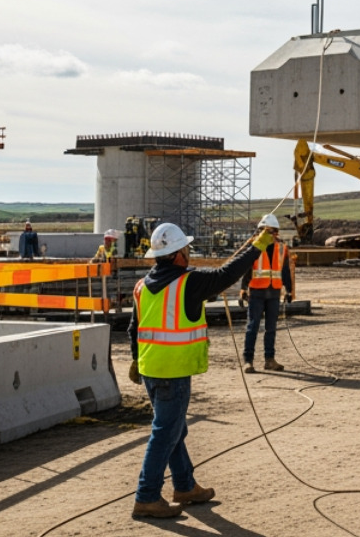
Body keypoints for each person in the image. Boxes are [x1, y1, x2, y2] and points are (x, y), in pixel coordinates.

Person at [127, 221, 274, 519]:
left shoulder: (142, 286)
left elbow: (134, 328)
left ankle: (184, 486)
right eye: (187, 248)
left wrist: (135, 361)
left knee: (174, 430)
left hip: (150, 369)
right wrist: (258, 245)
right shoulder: (187, 282)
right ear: (178, 253)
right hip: (173, 371)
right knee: (165, 433)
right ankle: (146, 497)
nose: (189, 252)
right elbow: (226, 275)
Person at [243, 213, 294, 373]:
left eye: (273, 231)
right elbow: (245, 268)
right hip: (257, 292)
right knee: (253, 327)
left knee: (271, 328)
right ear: (261, 231)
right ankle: (248, 361)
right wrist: (243, 289)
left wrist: (289, 290)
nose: (271, 234)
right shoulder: (254, 246)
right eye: (267, 231)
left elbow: (285, 270)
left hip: (274, 293)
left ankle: (269, 360)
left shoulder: (281, 248)